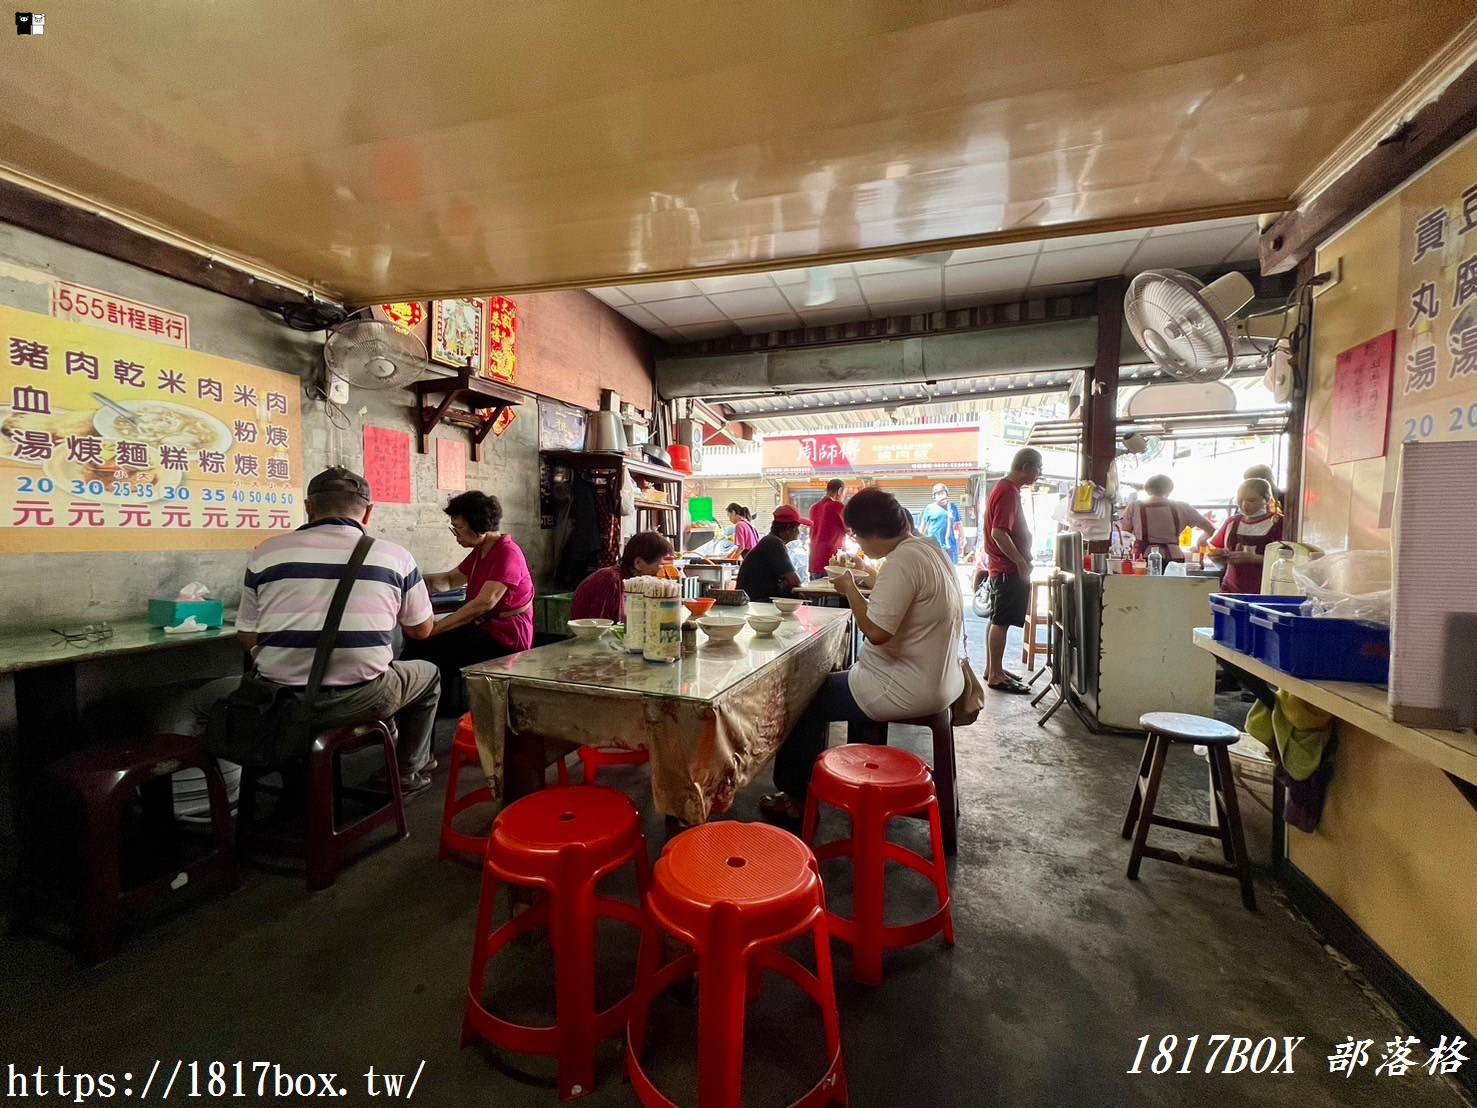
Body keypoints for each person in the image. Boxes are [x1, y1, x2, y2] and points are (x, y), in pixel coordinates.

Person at [180, 467, 441, 793]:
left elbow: (246, 634)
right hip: (363, 699)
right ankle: (406, 770)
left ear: (309, 507)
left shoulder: (266, 553)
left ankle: (233, 798)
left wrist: (274, 656)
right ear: (369, 512)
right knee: (428, 675)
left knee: (201, 699)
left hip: (279, 700)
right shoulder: (396, 557)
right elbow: (421, 631)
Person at [761, 488, 963, 823]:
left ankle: (795, 796)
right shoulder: (928, 548)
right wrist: (866, 570)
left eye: (854, 536)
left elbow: (878, 633)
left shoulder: (903, 560)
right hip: (938, 680)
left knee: (803, 696)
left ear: (865, 532)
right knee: (826, 685)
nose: (856, 543)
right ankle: (849, 779)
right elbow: (899, 590)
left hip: (900, 686)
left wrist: (849, 588)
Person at [403, 490, 535, 694]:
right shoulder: (481, 552)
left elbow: (483, 604)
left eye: (459, 528)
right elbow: (447, 580)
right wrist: (409, 583)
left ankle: (428, 708)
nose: (457, 536)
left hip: (505, 636)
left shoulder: (507, 553)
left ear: (479, 526)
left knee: (426, 646)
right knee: (421, 646)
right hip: (484, 628)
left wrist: (433, 630)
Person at [982, 448, 1043, 694]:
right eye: (1038, 468)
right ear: (1026, 466)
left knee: (997, 618)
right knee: (1001, 621)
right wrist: (1019, 562)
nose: (1039, 474)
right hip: (1007, 568)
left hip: (1002, 567)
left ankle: (992, 668)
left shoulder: (1008, 489)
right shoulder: (1007, 491)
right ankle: (995, 674)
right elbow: (999, 533)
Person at [569, 530, 674, 621]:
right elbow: (599, 628)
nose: (664, 572)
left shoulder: (635, 585)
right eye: (662, 565)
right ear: (639, 563)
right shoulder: (609, 579)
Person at [1208, 477, 1284, 593]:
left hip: (1265, 590)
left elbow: (1290, 559)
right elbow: (1214, 548)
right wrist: (1218, 555)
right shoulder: (1232, 522)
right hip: (1231, 588)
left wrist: (1256, 559)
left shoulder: (1279, 524)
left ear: (1267, 500)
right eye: (1240, 500)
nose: (1244, 505)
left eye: (1251, 500)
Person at [1118, 475, 1216, 562]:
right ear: (1169, 490)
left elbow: (1126, 536)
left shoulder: (1134, 507)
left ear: (1147, 489)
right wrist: (1200, 540)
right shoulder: (1183, 507)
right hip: (1174, 557)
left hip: (1142, 558)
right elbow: (1210, 529)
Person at [735, 506, 806, 601]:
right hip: (757, 601)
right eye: (798, 527)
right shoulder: (774, 543)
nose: (800, 531)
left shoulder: (771, 541)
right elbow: (795, 581)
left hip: (757, 598)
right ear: (789, 528)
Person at [807, 479, 848, 579]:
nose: (843, 497)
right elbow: (851, 530)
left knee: (816, 593)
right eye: (844, 494)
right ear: (840, 491)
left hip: (814, 562)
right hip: (832, 563)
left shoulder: (813, 508)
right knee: (832, 594)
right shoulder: (838, 506)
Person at [919, 483, 963, 562]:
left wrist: (962, 538)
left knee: (951, 568)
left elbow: (959, 524)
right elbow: (923, 525)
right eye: (938, 494)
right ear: (934, 496)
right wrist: (919, 540)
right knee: (936, 567)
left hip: (950, 544)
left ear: (946, 494)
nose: (941, 495)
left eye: (942, 493)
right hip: (934, 544)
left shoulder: (952, 507)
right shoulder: (930, 508)